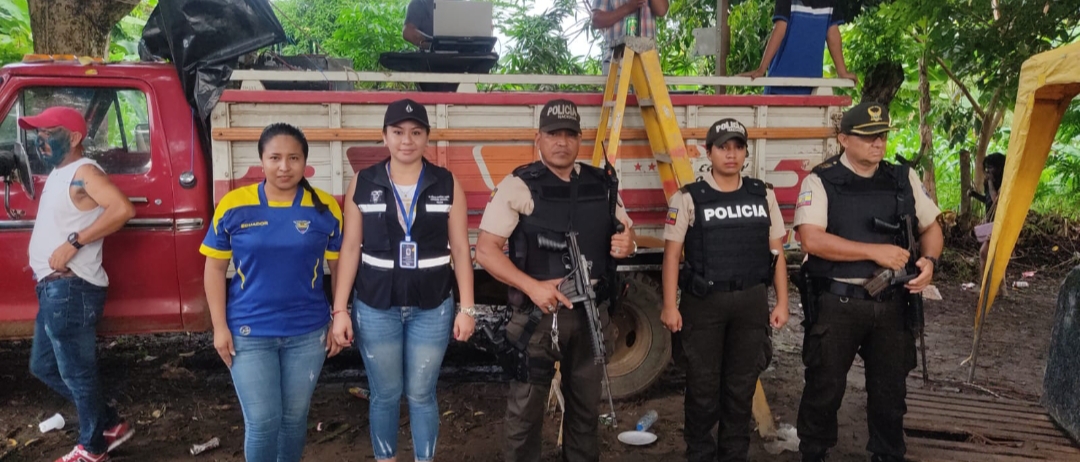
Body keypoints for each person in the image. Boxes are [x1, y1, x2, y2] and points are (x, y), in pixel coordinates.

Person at [475, 99, 636, 462]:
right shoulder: (519, 185)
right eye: (553, 134)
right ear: (539, 139)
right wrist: (532, 287)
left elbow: (626, 231)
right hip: (538, 317)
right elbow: (485, 251)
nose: (561, 142)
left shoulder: (601, 183)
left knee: (586, 412)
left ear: (580, 139)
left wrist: (629, 243)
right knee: (525, 414)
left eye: (569, 134)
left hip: (591, 314)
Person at [793, 102, 943, 462]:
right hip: (839, 302)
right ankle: (814, 452)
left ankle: (887, 453)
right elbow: (811, 239)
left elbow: (932, 227)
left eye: (882, 136)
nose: (878, 143)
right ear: (844, 139)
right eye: (868, 137)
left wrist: (929, 261)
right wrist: (875, 252)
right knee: (824, 387)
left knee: (891, 392)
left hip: (893, 303)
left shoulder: (902, 178)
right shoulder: (821, 179)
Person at [330, 99, 476, 462]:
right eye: (397, 132)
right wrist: (340, 310)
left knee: (422, 394)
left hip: (432, 307)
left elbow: (461, 249)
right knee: (385, 395)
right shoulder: (364, 182)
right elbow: (350, 248)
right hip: (375, 307)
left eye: (415, 132)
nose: (406, 140)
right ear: (384, 137)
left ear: (427, 137)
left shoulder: (446, 183)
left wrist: (467, 308)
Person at [200, 123, 345, 462]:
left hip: (307, 333)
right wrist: (219, 328)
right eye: (275, 158)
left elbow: (339, 268)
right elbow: (214, 269)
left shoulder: (325, 208)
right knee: (264, 421)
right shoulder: (234, 205)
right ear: (261, 161)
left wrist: (339, 316)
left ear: (305, 162)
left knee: (294, 420)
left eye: (294, 158)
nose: (284, 166)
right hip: (249, 332)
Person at [660, 118, 790, 462]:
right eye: (723, 147)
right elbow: (671, 256)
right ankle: (700, 453)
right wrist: (670, 306)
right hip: (704, 303)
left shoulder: (763, 195)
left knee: (741, 387)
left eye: (737, 147)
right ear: (709, 153)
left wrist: (782, 302)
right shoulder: (688, 198)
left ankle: (734, 454)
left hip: (751, 303)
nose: (731, 154)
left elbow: (776, 251)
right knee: (702, 388)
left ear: (745, 153)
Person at [21, 106, 137, 462]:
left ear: (73, 137)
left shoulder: (84, 172)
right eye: (38, 134)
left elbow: (122, 209)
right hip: (54, 289)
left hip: (71, 289)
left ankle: (92, 447)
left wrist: (74, 243)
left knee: (77, 372)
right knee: (44, 366)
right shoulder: (61, 173)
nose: (40, 140)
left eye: (48, 133)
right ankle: (110, 424)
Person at [740, 0, 857, 95]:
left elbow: (780, 29)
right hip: (798, 86)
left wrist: (761, 69)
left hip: (789, 85)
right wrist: (842, 72)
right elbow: (832, 35)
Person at [591, 0, 670, 73]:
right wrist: (628, 8)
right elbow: (596, 20)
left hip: (647, 60)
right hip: (616, 61)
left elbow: (662, 10)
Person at [969, 152, 1006, 274]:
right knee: (987, 254)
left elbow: (996, 200)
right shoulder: (988, 183)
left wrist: (990, 183)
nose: (988, 171)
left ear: (999, 168)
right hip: (990, 221)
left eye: (991, 168)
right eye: (987, 168)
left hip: (1000, 223)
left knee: (985, 253)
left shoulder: (1003, 184)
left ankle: (987, 282)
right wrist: (974, 194)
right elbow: (988, 200)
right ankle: (989, 282)